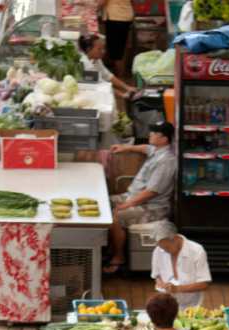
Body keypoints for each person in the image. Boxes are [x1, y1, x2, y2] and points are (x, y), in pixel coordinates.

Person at [106, 121, 176, 274]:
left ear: (164, 139)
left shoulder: (166, 161)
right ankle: (110, 247)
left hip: (152, 207)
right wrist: (126, 147)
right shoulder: (157, 150)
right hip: (133, 196)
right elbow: (145, 148)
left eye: (155, 133)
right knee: (105, 203)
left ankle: (119, 257)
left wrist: (128, 204)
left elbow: (152, 192)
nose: (150, 134)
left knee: (115, 217)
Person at [151, 222, 211, 309]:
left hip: (192, 307)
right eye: (162, 248)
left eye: (167, 247)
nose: (165, 251)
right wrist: (160, 283)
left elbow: (204, 284)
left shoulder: (197, 251)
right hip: (167, 304)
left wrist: (177, 289)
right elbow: (157, 275)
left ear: (175, 238)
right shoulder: (158, 251)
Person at [78, 33, 134, 99]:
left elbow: (107, 75)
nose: (103, 51)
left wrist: (127, 87)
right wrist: (123, 95)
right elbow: (101, 85)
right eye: (99, 49)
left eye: (103, 48)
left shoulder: (96, 58)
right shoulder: (85, 65)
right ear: (88, 49)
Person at [97, 0, 133, 80]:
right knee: (121, 48)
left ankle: (119, 77)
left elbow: (103, 1)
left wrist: (92, 8)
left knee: (116, 50)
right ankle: (121, 74)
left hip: (115, 16)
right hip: (125, 14)